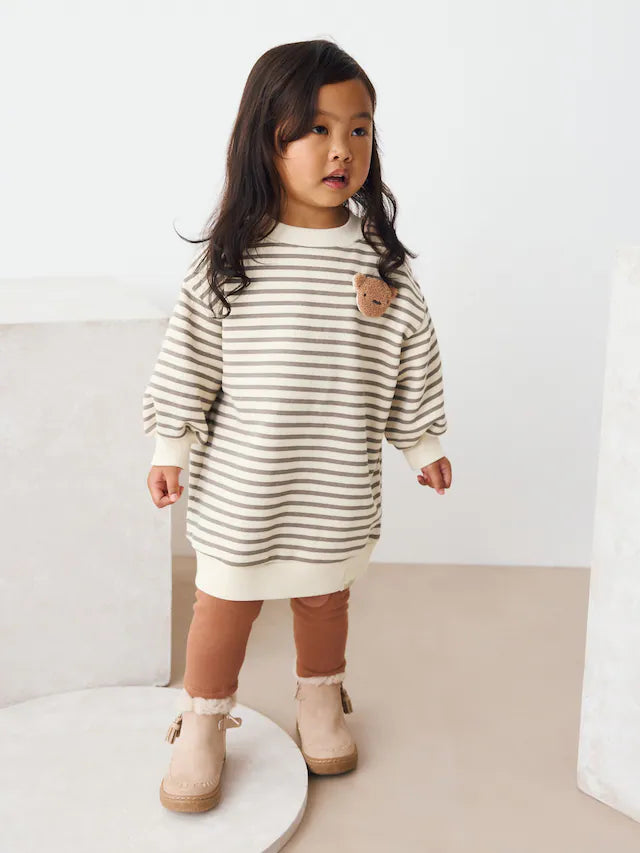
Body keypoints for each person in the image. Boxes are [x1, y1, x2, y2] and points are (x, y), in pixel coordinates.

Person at [143, 38, 453, 814]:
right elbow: (188, 356)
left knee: (323, 594)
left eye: (358, 128)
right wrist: (170, 443)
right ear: (266, 139)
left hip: (335, 479)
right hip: (244, 484)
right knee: (225, 602)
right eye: (316, 129)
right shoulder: (232, 259)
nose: (341, 148)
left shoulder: (382, 264)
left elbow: (413, 353)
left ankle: (320, 696)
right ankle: (202, 719)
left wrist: (422, 441)